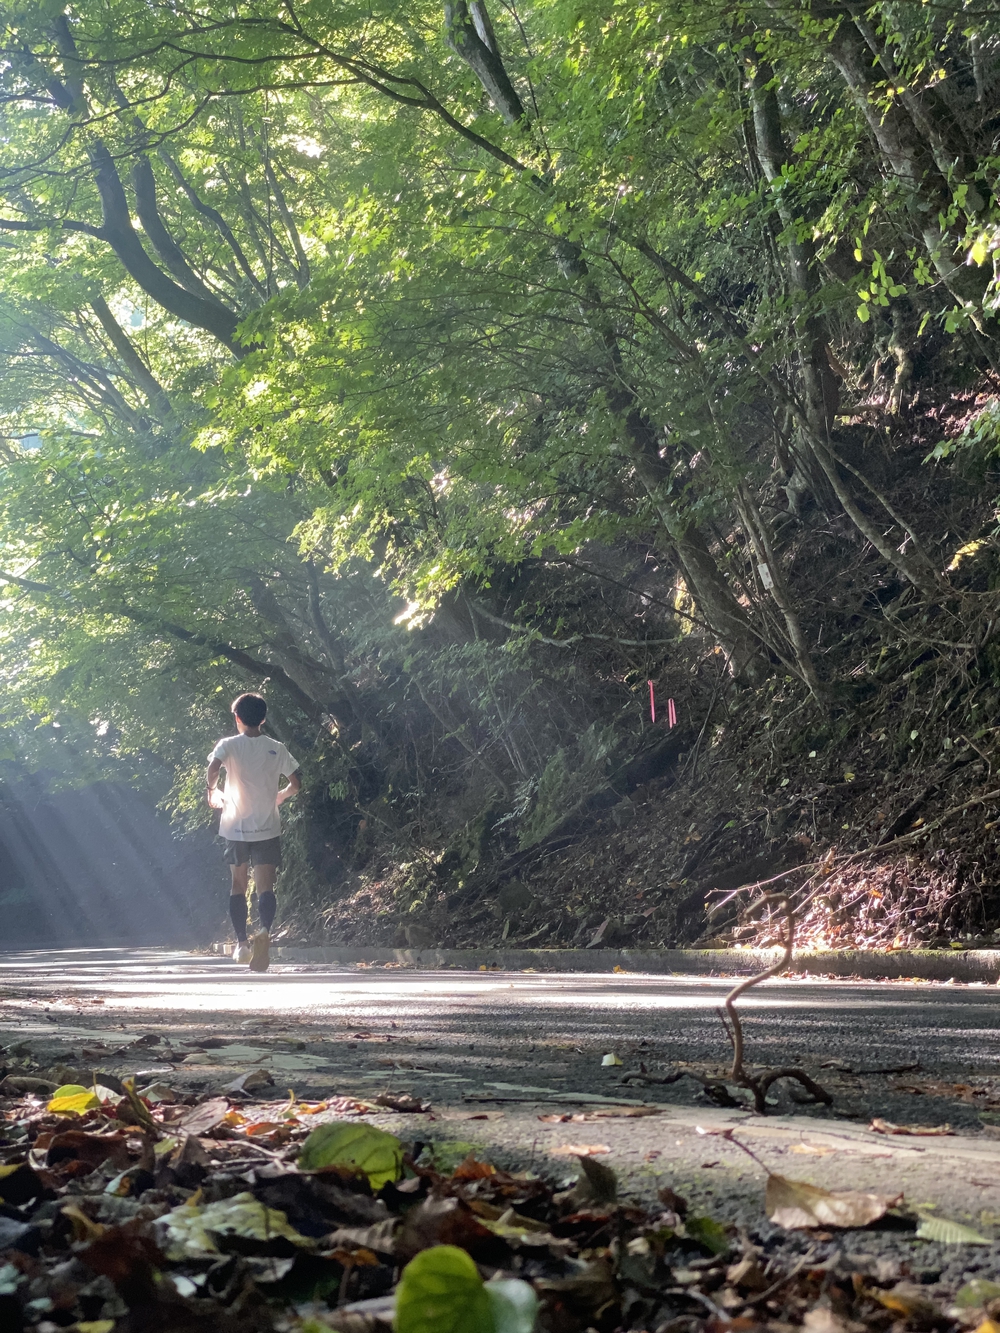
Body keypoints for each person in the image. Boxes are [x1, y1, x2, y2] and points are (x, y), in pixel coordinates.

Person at [206, 692, 301, 972]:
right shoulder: (277, 747)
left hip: (235, 828)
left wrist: (212, 792)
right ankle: (265, 931)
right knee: (265, 887)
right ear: (264, 718)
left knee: (238, 885)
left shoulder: (228, 745)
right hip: (267, 827)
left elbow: (212, 769)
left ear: (237, 718)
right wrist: (281, 796)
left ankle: (241, 944)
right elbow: (296, 783)